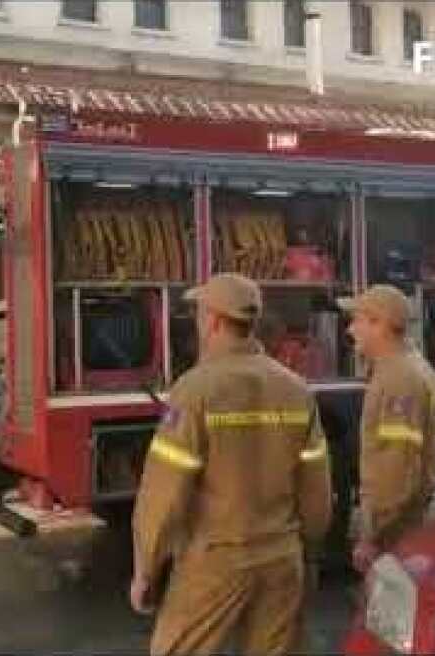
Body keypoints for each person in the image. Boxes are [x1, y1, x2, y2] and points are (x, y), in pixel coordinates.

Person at [129, 273, 334, 656]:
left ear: (214, 320)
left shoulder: (195, 391)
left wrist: (146, 568)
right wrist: (309, 550)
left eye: (199, 313)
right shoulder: (296, 389)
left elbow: (164, 493)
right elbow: (317, 489)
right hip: (281, 560)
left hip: (216, 562)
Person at [338, 284, 435, 574]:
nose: (350, 330)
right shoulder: (408, 369)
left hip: (401, 531)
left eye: (357, 320)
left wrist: (373, 536)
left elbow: (397, 468)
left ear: (379, 324)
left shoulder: (398, 379)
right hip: (409, 522)